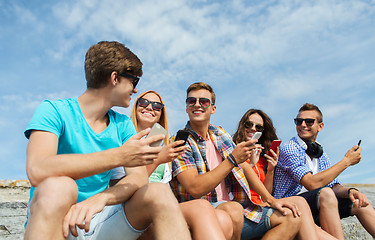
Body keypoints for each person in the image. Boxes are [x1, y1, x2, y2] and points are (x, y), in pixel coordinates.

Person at [24, 41, 191, 240]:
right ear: (114, 78)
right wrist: (119, 155)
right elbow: (38, 169)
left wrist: (99, 199)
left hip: (95, 221)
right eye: (133, 81)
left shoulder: (122, 124)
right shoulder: (54, 110)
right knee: (60, 187)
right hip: (53, 224)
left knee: (159, 192)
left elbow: (138, 178)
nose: (135, 90)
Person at [171, 82, 305, 240]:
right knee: (232, 209)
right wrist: (231, 160)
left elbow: (244, 167)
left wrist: (271, 200)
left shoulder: (219, 133)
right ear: (186, 107)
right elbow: (194, 188)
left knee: (291, 217)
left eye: (204, 101)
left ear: (213, 108)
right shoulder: (180, 141)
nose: (197, 105)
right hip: (203, 214)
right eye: (191, 101)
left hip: (236, 209)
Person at [110, 90, 232, 240]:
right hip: (132, 210)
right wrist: (158, 160)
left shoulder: (163, 146)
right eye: (144, 102)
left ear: (161, 113)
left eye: (156, 106)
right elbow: (118, 186)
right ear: (136, 107)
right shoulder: (122, 138)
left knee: (224, 220)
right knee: (201, 206)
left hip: (161, 206)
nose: (149, 107)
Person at [273, 103, 375, 239]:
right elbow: (312, 183)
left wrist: (351, 191)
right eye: (299, 121)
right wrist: (346, 162)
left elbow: (334, 186)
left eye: (309, 121)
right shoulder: (289, 148)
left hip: (315, 207)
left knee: (359, 202)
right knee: (325, 193)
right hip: (291, 208)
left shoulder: (320, 153)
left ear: (320, 126)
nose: (303, 125)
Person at [233, 109, 337, 240]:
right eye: (249, 124)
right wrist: (251, 165)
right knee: (299, 204)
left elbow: (266, 193)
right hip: (247, 207)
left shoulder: (261, 156)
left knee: (300, 210)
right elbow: (233, 186)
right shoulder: (233, 151)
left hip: (263, 204)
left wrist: (270, 170)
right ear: (242, 125)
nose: (253, 129)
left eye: (258, 127)